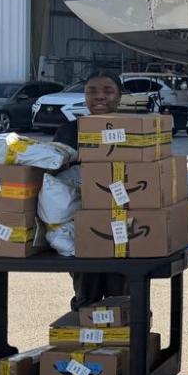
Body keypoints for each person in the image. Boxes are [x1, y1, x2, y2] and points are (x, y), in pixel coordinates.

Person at [53, 70, 128, 309]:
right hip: (81, 225)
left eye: (108, 91)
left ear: (120, 97)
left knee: (123, 295)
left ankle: (125, 331)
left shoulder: (134, 130)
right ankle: (85, 327)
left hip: (126, 222)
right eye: (91, 91)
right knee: (87, 295)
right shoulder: (69, 131)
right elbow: (52, 179)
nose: (100, 97)